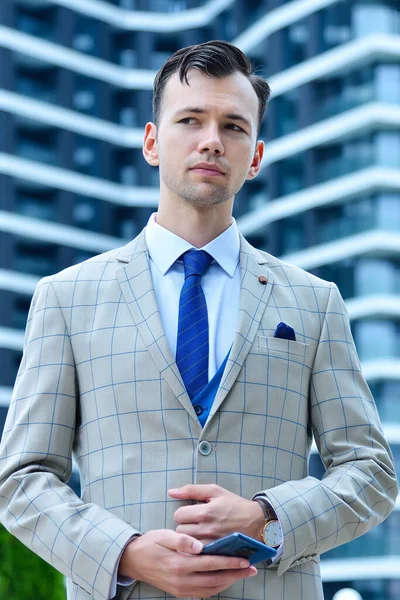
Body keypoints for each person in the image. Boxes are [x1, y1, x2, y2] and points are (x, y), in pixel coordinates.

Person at [0, 40, 397, 600]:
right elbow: (22, 479)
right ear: (152, 142)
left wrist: (268, 515)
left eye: (234, 126)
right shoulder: (67, 299)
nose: (212, 139)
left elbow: (372, 473)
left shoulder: (315, 302)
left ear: (255, 157)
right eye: (191, 119)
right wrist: (125, 553)